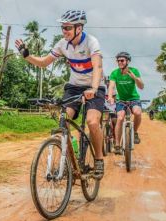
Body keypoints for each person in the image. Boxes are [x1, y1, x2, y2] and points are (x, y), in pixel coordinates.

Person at [15, 10, 105, 179]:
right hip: (74, 87)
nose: (64, 31)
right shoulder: (62, 44)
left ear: (79, 28)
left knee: (92, 122)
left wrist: (93, 89)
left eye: (68, 28)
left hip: (95, 85)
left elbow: (98, 67)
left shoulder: (91, 42)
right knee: (63, 121)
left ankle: (99, 159)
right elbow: (43, 62)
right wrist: (26, 55)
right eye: (62, 27)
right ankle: (71, 154)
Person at [108, 52, 144, 154]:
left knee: (137, 112)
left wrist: (135, 78)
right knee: (120, 118)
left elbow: (141, 86)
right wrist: (110, 97)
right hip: (121, 100)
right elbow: (111, 86)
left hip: (134, 99)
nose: (120, 62)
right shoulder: (115, 73)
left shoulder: (134, 71)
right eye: (118, 60)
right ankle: (118, 145)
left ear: (127, 61)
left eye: (122, 60)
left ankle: (135, 132)